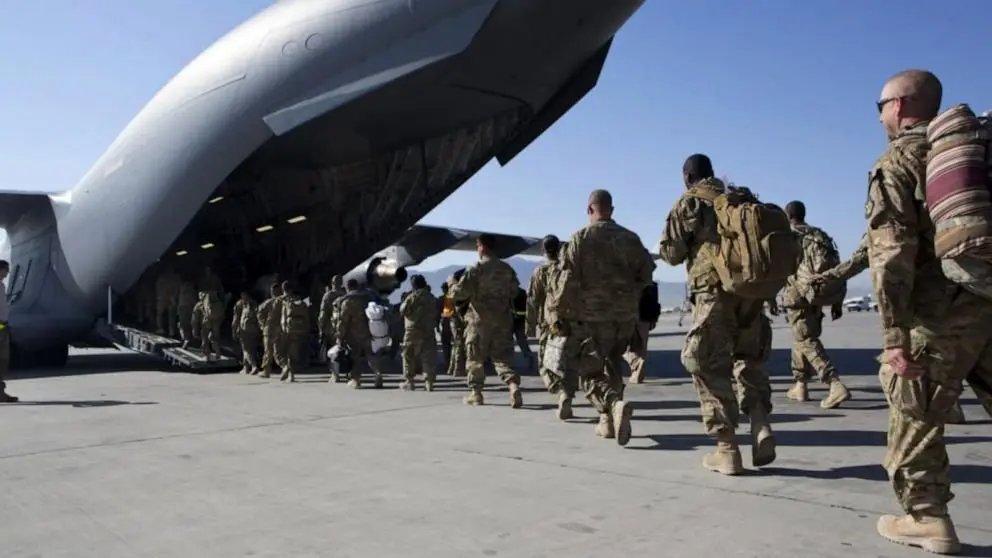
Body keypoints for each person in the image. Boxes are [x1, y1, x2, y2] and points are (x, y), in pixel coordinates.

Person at [868, 69, 992, 554]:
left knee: (914, 412)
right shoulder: (973, 152)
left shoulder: (899, 159)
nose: (879, 116)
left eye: (880, 106)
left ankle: (927, 518)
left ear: (898, 106)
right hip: (985, 299)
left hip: (937, 317)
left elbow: (891, 254)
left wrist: (894, 336)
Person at [657, 154, 776, 474]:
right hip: (751, 294)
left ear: (687, 177)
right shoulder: (742, 199)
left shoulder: (690, 203)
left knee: (706, 364)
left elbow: (672, 254)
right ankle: (760, 422)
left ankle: (727, 449)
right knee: (748, 360)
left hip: (714, 295)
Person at [554, 189, 655, 445]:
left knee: (589, 372)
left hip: (592, 318)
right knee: (613, 364)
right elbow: (647, 275)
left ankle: (613, 403)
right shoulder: (631, 238)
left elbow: (566, 281)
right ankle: (607, 422)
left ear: (590, 209)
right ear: (612, 209)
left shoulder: (579, 239)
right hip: (624, 318)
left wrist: (559, 314)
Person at [781, 200, 852, 409]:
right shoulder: (819, 235)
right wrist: (838, 300)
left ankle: (834, 383)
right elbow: (836, 268)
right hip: (817, 292)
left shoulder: (788, 236)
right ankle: (801, 384)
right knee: (801, 336)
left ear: (788, 216)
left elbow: (780, 268)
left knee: (805, 339)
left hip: (798, 293)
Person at [449, 234, 523, 407]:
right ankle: (513, 385)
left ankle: (476, 393)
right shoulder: (507, 269)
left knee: (475, 358)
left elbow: (460, 294)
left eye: (477, 246)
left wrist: (452, 284)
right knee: (502, 357)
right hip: (502, 321)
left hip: (479, 321)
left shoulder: (476, 269)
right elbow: (515, 292)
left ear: (482, 248)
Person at [400, 274, 438, 391]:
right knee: (428, 355)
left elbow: (403, 310)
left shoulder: (412, 297)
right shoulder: (431, 297)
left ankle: (410, 381)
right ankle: (429, 382)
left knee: (408, 355)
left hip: (413, 330)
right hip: (428, 329)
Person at [0, 260, 17, 402]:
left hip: (3, 326)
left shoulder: (1, 286)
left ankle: (0, 392)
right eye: (5, 270)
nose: (7, 273)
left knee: (3, 360)